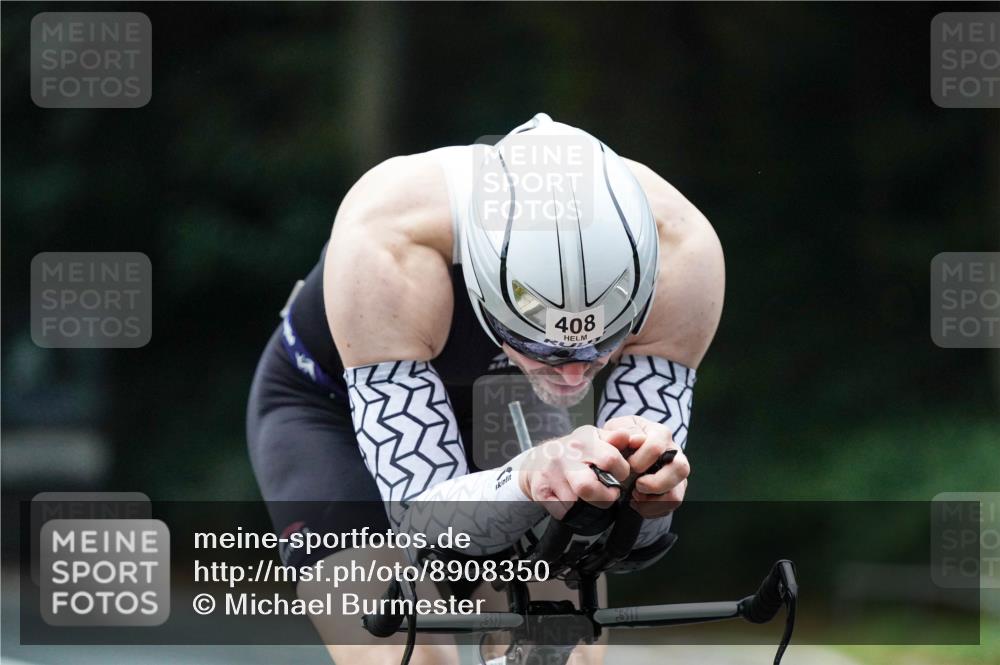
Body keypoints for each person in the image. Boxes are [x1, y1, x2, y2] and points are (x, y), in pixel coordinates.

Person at [246, 114, 724, 664]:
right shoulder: (391, 240)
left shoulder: (684, 253)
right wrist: (527, 479)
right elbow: (426, 524)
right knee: (408, 654)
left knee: (563, 650)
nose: (574, 376)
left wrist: (645, 494)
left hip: (511, 399)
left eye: (602, 347)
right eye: (545, 349)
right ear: (479, 287)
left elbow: (628, 544)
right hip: (330, 412)